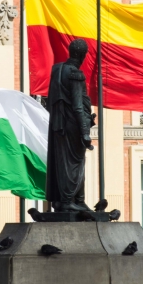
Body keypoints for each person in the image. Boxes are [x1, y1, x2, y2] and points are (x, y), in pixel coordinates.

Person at [45, 39, 96, 212]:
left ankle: (76, 201)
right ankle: (68, 200)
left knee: (62, 161)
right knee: (75, 163)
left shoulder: (57, 70)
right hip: (72, 125)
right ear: (82, 55)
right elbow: (77, 105)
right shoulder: (75, 74)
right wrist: (85, 132)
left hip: (58, 124)